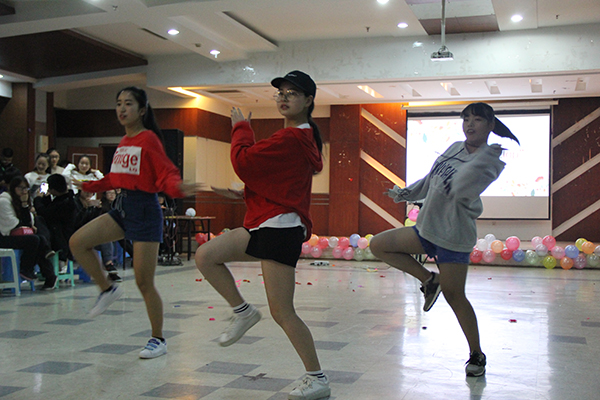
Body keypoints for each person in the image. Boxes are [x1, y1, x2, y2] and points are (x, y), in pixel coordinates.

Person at [195, 70, 330, 400]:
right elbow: (279, 182)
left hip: (279, 229)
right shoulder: (299, 139)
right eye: (281, 93)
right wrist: (243, 192)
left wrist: (241, 128)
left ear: (308, 100)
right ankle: (243, 312)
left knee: (283, 312)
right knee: (206, 255)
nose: (284, 98)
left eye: (292, 93)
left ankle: (317, 378)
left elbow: (244, 162)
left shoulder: (292, 137)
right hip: (266, 223)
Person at [370, 102, 520, 378]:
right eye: (466, 119)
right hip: (427, 228)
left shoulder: (490, 161)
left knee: (455, 296)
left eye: (477, 120)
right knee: (378, 245)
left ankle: (477, 354)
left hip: (453, 236)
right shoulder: (454, 148)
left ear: (490, 125)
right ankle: (430, 280)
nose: (470, 124)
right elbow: (432, 178)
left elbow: (463, 187)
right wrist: (406, 193)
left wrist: (483, 157)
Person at [69, 86, 198, 359]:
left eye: (128, 103)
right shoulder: (124, 141)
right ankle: (107, 288)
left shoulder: (148, 139)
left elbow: (165, 172)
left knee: (144, 282)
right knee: (78, 242)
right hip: (122, 207)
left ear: (142, 110)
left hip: (145, 211)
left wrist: (177, 187)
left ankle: (158, 339)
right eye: (118, 103)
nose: (122, 109)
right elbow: (115, 177)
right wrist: (88, 185)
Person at [0, 176, 57, 290]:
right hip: (4, 236)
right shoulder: (4, 201)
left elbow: (29, 222)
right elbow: (13, 224)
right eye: (21, 188)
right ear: (13, 188)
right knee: (34, 240)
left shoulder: (21, 201)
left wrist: (24, 204)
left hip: (18, 235)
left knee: (40, 239)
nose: (24, 191)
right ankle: (26, 269)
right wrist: (26, 225)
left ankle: (49, 276)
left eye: (26, 188)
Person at [33, 174, 78, 265]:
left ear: (53, 190)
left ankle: (47, 248)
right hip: (60, 234)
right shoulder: (65, 199)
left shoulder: (66, 203)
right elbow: (50, 211)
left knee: (38, 220)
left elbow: (45, 214)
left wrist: (38, 199)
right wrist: (46, 198)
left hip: (61, 239)